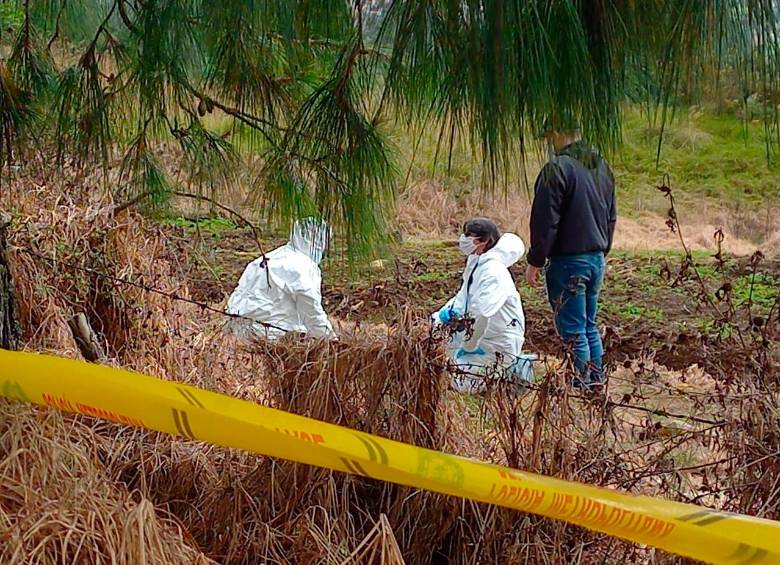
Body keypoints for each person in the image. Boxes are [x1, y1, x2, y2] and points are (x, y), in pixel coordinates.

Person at [525, 118, 617, 390]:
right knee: (588, 325)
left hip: (568, 262)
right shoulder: (603, 167)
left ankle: (578, 388)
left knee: (573, 330)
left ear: (558, 132)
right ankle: (595, 382)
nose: (548, 143)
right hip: (596, 258)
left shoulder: (557, 169)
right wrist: (602, 249)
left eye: (549, 136)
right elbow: (611, 216)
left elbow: (545, 220)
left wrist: (535, 260)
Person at [433, 218, 533, 393]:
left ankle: (513, 374)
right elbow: (464, 297)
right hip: (483, 337)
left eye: (469, 236)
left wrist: (470, 344)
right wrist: (442, 316)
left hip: (497, 341)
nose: (464, 240)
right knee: (438, 363)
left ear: (485, 241)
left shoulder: (493, 273)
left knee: (459, 383)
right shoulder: (477, 265)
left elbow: (483, 313)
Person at [226, 218, 336, 341]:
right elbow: (311, 309)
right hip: (271, 335)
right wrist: (329, 340)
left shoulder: (270, 257)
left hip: (236, 330)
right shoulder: (304, 267)